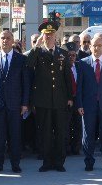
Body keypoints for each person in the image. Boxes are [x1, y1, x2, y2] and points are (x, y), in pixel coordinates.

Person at [26, 20, 73, 172]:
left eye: (51, 34)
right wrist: (36, 45)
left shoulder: (63, 54)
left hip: (60, 100)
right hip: (43, 100)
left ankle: (59, 162)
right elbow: (29, 64)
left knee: (60, 132)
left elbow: (67, 77)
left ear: (55, 36)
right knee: (45, 133)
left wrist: (70, 97)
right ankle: (46, 162)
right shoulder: (38, 52)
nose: (48, 37)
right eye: (46, 34)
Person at [0, 30, 29, 174]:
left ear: (12, 40)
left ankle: (15, 164)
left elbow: (25, 83)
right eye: (2, 38)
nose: (5, 41)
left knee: (15, 136)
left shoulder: (21, 59)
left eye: (8, 38)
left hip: (15, 105)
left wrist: (24, 103)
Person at [76, 35, 102, 171]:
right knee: (88, 135)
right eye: (94, 45)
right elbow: (79, 86)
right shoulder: (83, 63)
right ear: (90, 46)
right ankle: (89, 162)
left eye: (99, 45)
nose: (96, 48)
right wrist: (80, 104)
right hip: (88, 106)